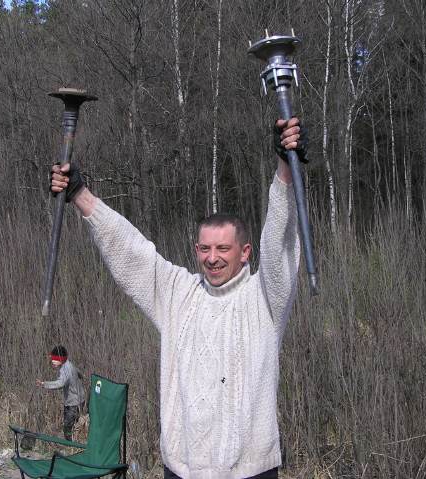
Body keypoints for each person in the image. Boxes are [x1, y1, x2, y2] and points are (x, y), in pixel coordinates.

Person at [50, 118, 309, 479]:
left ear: (245, 252)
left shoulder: (265, 299)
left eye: (223, 248)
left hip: (250, 471)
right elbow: (132, 253)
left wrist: (285, 167)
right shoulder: (179, 294)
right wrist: (80, 194)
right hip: (181, 469)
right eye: (205, 248)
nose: (212, 258)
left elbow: (280, 241)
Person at [36, 345, 86, 441]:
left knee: (67, 426)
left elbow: (60, 383)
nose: (52, 362)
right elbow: (78, 372)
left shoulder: (65, 370)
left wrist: (43, 384)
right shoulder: (69, 364)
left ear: (61, 359)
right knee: (72, 424)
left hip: (74, 402)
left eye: (55, 360)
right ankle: (75, 440)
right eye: (52, 359)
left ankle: (70, 444)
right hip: (77, 400)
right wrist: (81, 377)